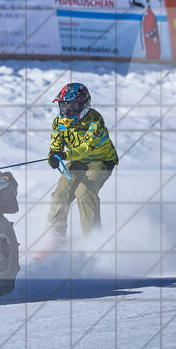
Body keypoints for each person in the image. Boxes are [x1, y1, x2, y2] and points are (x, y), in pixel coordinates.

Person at [46, 83, 119, 239]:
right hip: (76, 161)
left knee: (84, 192)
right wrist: (53, 157)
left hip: (101, 160)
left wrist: (65, 156)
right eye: (64, 106)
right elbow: (56, 144)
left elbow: (87, 148)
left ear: (84, 105)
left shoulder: (95, 121)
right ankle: (55, 239)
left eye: (72, 106)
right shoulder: (59, 122)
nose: (67, 110)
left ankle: (93, 240)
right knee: (60, 194)